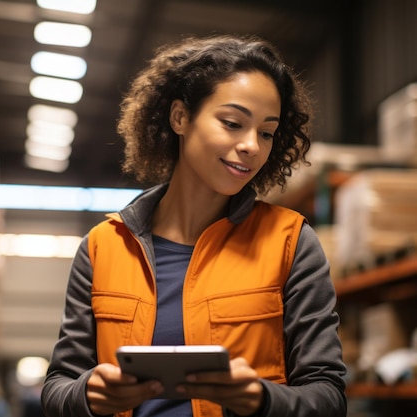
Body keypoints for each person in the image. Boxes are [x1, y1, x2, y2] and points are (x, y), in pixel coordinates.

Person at [40, 34, 347, 417]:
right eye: (233, 123)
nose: (252, 145)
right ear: (180, 117)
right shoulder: (104, 246)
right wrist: (87, 395)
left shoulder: (290, 242)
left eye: (266, 132)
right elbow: (57, 387)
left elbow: (328, 397)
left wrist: (259, 399)